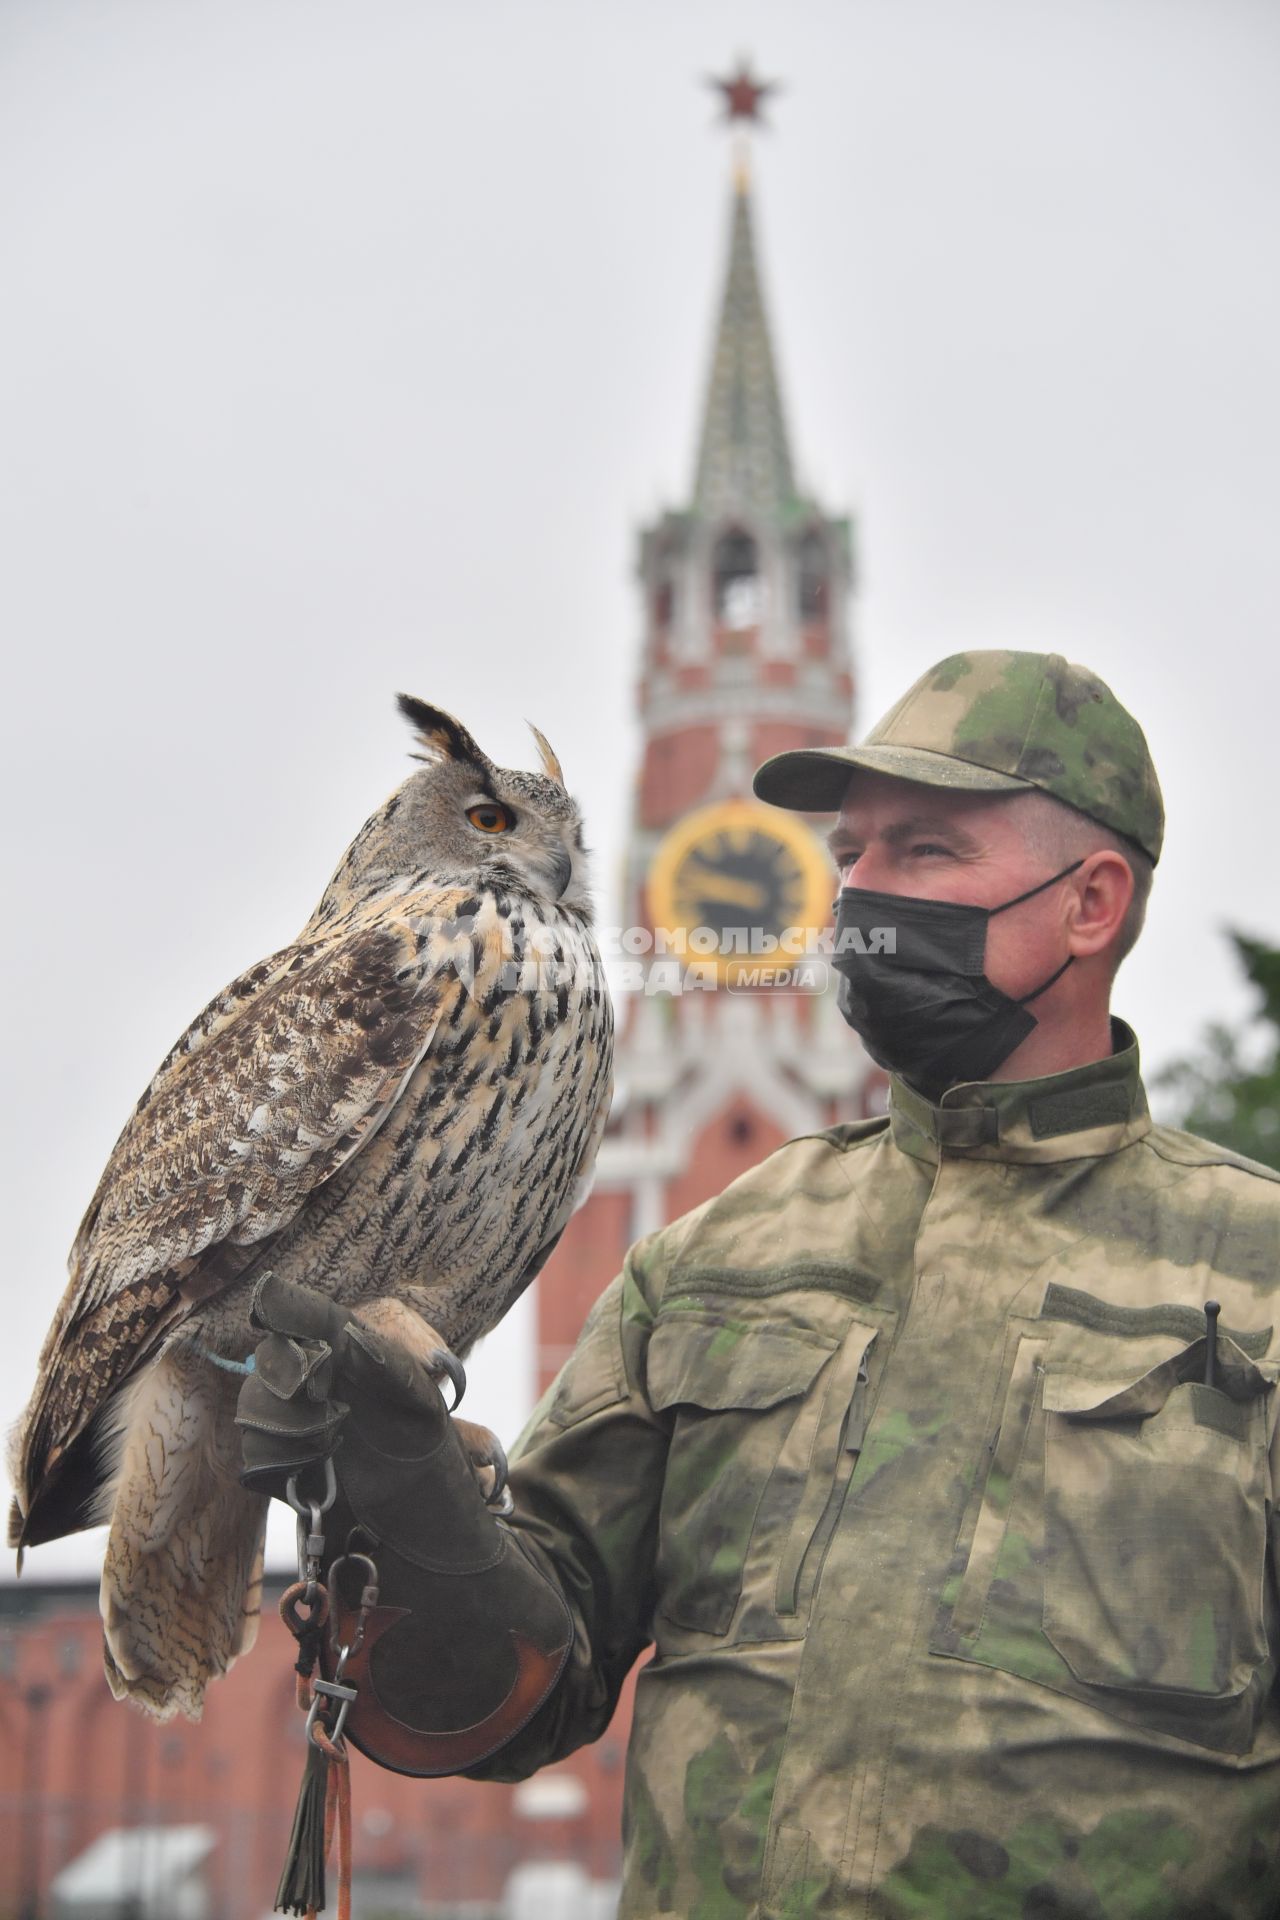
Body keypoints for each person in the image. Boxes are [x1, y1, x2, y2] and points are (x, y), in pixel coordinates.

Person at [239, 650, 1280, 1919]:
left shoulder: (1254, 1274)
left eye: (926, 854)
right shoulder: (712, 1261)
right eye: (850, 853)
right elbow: (521, 1683)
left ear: (1090, 901)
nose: (855, 894)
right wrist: (395, 1498)